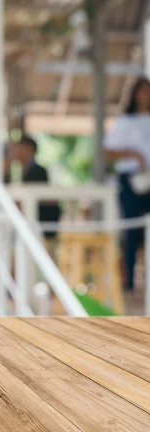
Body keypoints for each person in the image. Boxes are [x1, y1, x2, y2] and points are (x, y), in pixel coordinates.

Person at [103, 77, 150, 294]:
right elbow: (108, 151)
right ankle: (129, 281)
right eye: (142, 91)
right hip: (130, 179)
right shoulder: (124, 121)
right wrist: (133, 153)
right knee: (131, 230)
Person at [9, 136, 61, 239]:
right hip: (37, 222)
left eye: (19, 148)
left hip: (42, 223)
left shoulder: (37, 171)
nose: (15, 152)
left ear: (29, 150)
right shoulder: (27, 170)